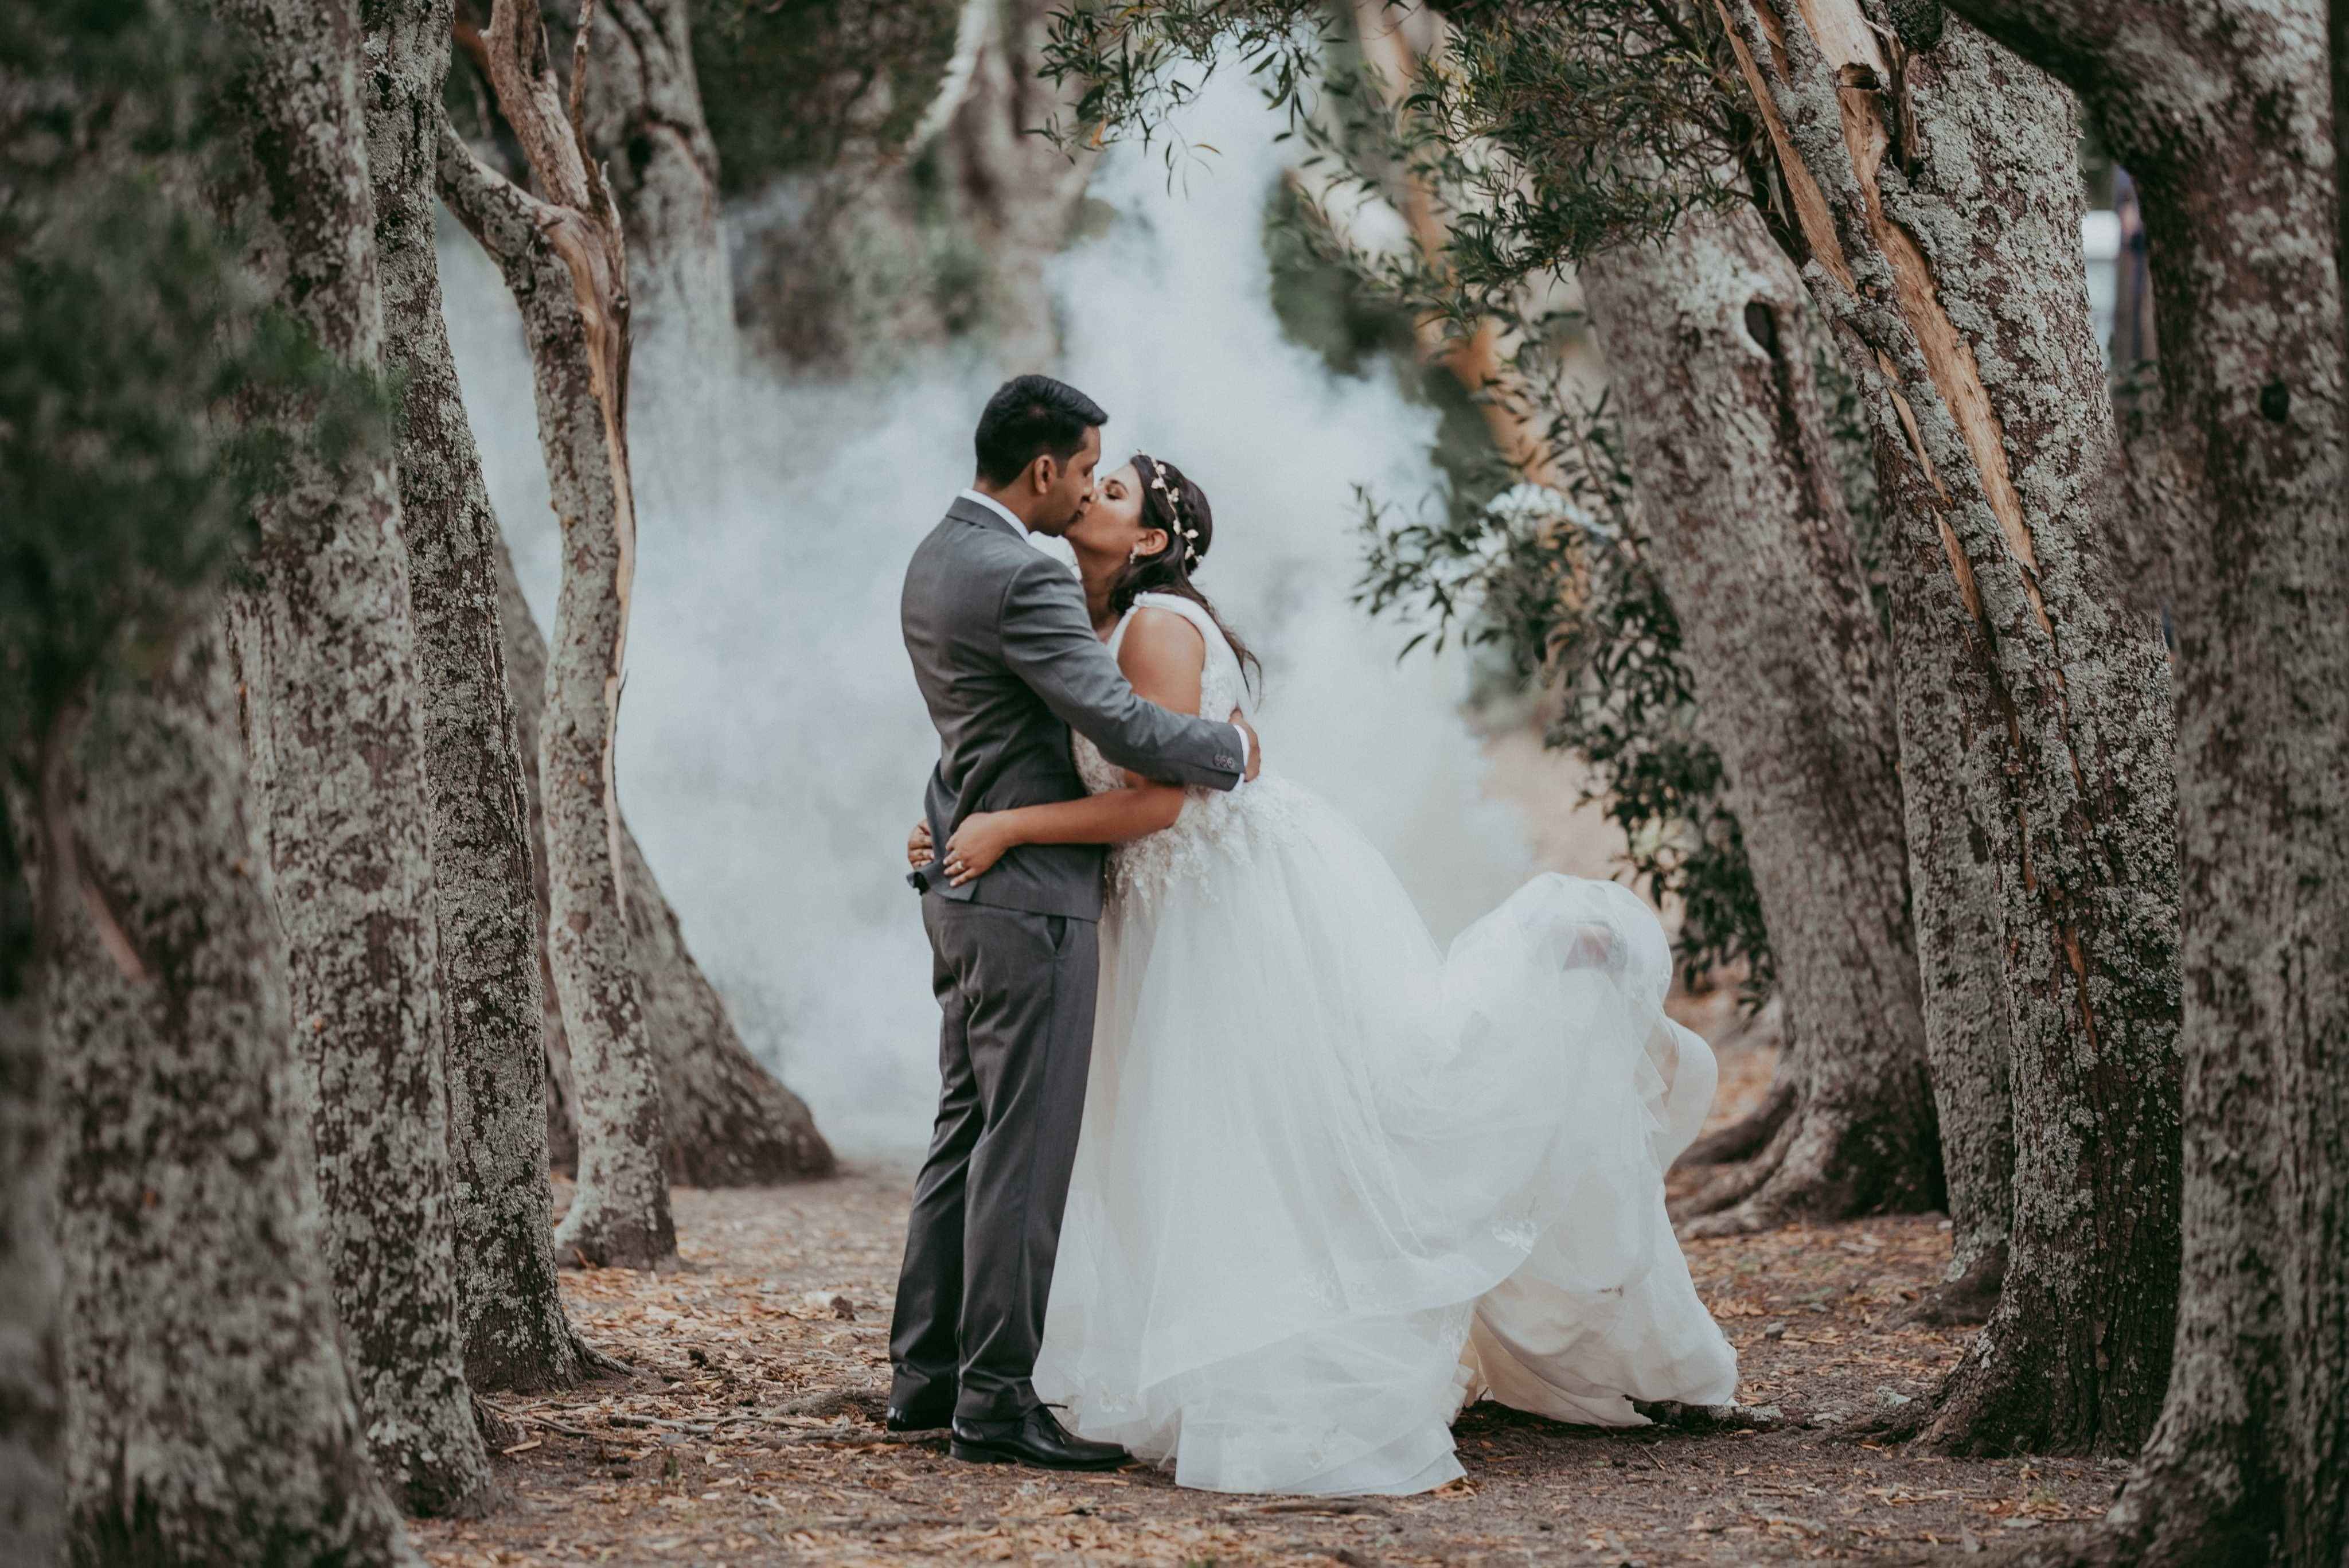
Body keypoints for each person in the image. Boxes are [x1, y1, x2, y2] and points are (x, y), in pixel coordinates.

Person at [907, 452, 1738, 1495]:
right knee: (1207, 1137)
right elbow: (1006, 735)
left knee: (1282, 1128)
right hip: (1155, 910)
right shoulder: (1083, 622)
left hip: (1215, 905)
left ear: (1154, 541)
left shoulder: (1158, 626)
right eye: (1091, 481)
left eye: (1114, 491)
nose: (1089, 495)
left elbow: (1165, 802)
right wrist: (947, 824)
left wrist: (1009, 826)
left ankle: (1556, 980)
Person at [891, 376, 1261, 1472]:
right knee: (1025, 1147)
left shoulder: (936, 556)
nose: (1091, 484)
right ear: (1043, 469)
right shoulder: (1027, 579)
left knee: (964, 1134)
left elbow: (973, 727)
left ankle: (926, 1374)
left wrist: (941, 821)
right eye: (1087, 465)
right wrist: (1236, 752)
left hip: (968, 895)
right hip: (1028, 898)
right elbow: (1127, 726)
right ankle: (995, 1400)